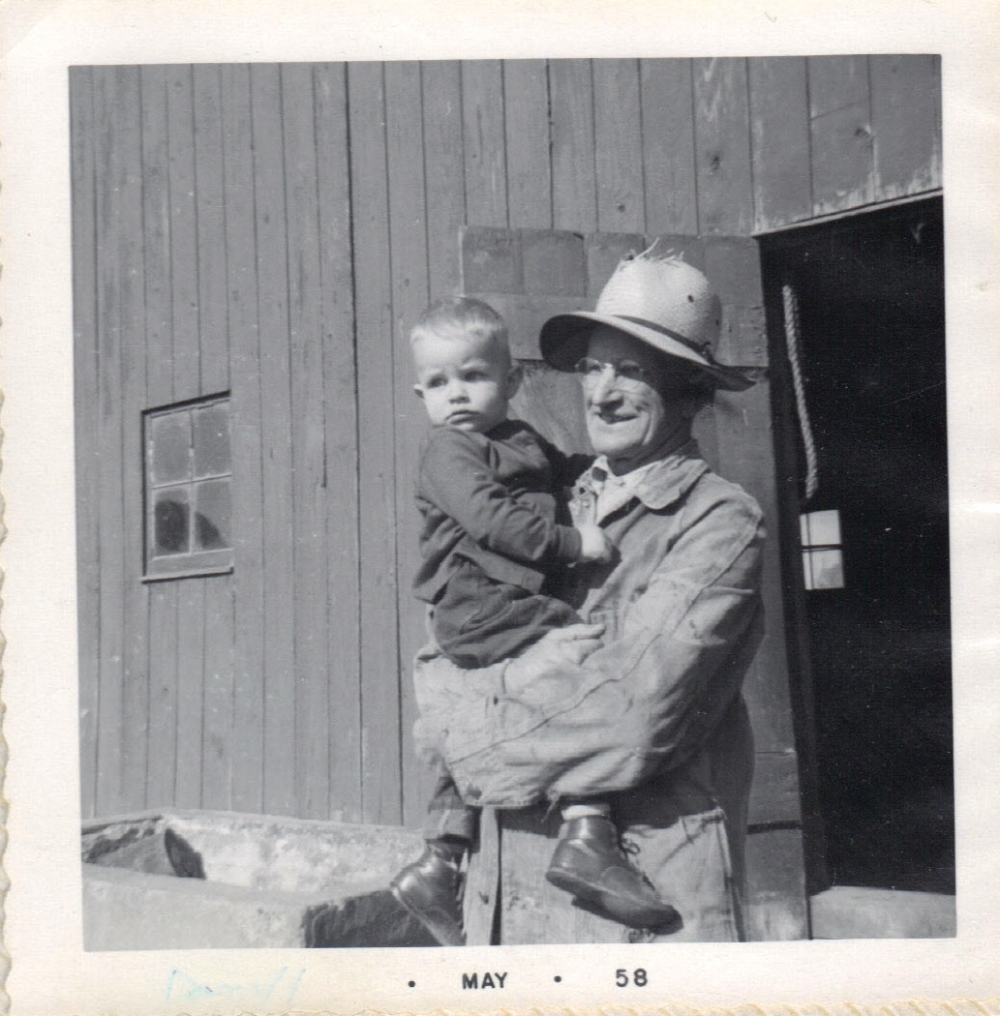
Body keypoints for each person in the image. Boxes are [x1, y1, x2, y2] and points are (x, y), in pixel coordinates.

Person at [410, 251, 765, 944]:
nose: (599, 394)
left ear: (689, 389)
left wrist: (459, 739)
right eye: (593, 368)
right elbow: (443, 648)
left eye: (631, 372)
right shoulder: (548, 500)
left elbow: (631, 712)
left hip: (647, 897)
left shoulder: (719, 521)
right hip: (512, 892)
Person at [390, 297, 680, 946]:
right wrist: (578, 545)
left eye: (473, 376)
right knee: (578, 667)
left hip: (504, 602)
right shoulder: (450, 453)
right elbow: (493, 522)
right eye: (438, 384)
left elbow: (564, 471)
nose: (456, 395)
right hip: (479, 603)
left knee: (487, 710)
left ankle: (441, 860)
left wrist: (605, 474)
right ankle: (586, 828)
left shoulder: (516, 440)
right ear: (420, 393)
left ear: (512, 382)